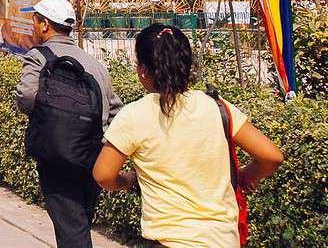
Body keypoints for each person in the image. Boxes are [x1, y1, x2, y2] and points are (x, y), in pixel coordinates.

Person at [94, 23, 283, 248]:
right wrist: (245, 176)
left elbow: (103, 175)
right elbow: (272, 156)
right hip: (223, 240)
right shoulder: (217, 107)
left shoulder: (134, 115)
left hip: (169, 241)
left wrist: (130, 179)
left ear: (143, 70)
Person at [13, 0, 122, 248]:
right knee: (79, 221)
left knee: (71, 229)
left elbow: (26, 96)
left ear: (44, 26)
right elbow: (115, 109)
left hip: (56, 156)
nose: (33, 25)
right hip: (91, 156)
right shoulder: (94, 64)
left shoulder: (39, 57)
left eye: (35, 20)